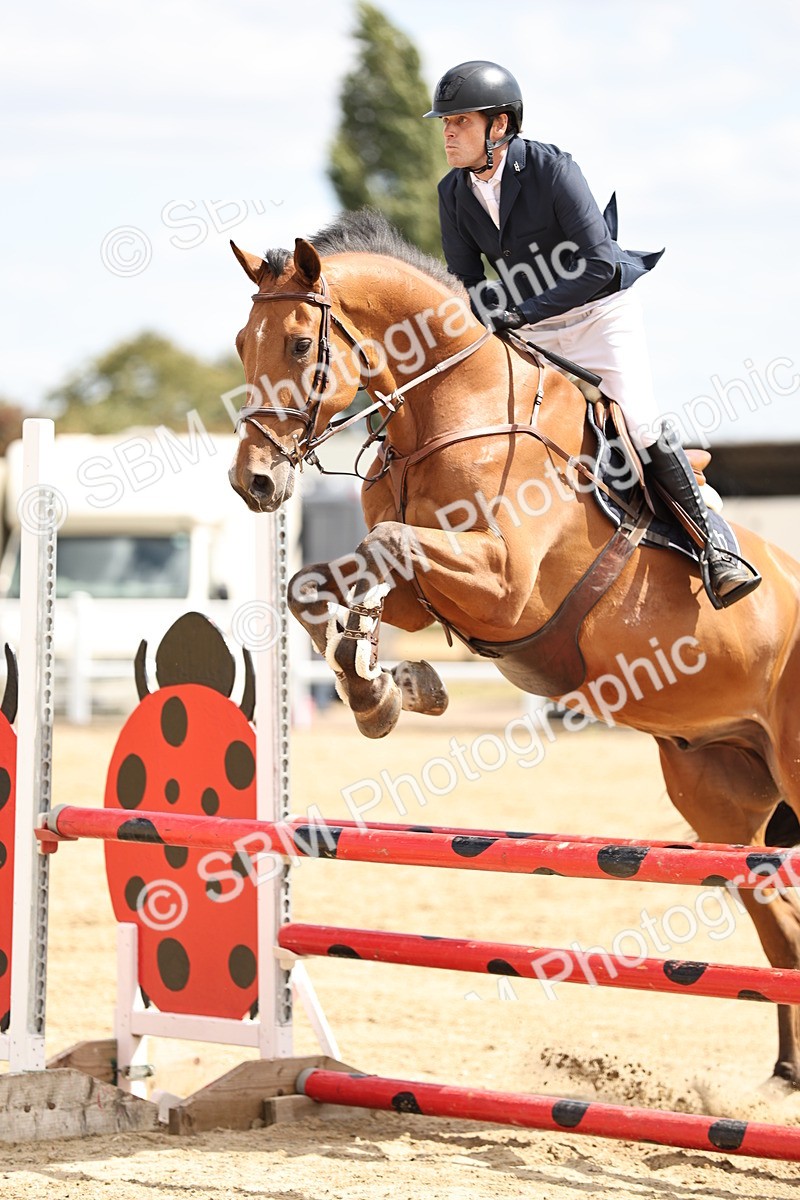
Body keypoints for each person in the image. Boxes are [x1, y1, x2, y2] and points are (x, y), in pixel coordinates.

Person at [424, 60, 759, 607]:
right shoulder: (453, 192)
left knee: (638, 423)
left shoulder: (553, 169)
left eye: (460, 121)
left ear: (500, 126)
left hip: (601, 314)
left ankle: (715, 548)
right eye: (445, 123)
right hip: (532, 326)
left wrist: (522, 311)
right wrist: (488, 318)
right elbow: (465, 281)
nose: (448, 133)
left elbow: (599, 263)